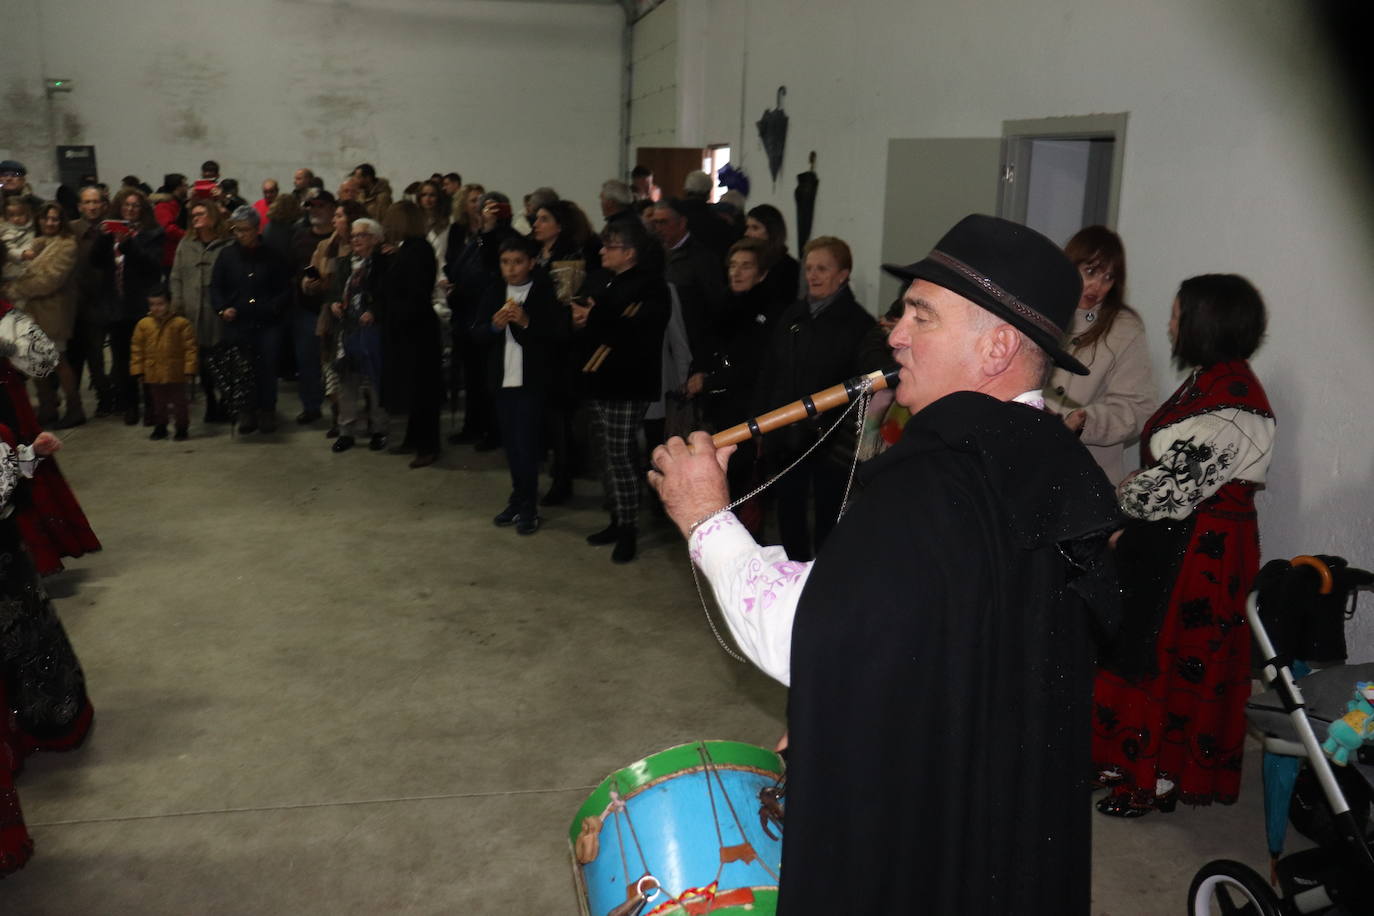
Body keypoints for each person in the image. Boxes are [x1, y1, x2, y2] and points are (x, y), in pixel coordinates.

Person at [648, 214, 1122, 915]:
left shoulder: (937, 480)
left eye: (920, 316)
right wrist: (846, 713)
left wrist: (705, 518)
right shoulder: (1051, 464)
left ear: (996, 346)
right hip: (1003, 828)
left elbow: (804, 637)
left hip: (925, 842)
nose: (894, 333)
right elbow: (951, 643)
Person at [1092, 274, 1274, 817]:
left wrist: (1108, 507)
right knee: (1134, 648)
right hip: (1173, 538)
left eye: (1177, 314)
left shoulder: (1238, 400)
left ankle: (1157, 781)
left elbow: (1174, 485)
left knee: (1171, 660)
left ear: (1204, 323)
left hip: (1202, 552)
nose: (1170, 324)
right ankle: (1123, 760)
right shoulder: (1209, 381)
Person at [751, 235, 883, 561]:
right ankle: (795, 574)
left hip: (832, 438)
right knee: (789, 512)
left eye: (823, 268)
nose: (813, 275)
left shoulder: (859, 324)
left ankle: (823, 582)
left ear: (843, 275)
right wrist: (762, 422)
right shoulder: (792, 316)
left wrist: (830, 422)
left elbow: (862, 383)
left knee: (829, 515)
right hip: (786, 432)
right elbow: (770, 370)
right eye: (809, 268)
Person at [0, 423, 93, 877]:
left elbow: (8, 480)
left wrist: (30, 455)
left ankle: (39, 723)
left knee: (29, 644)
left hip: (8, 565)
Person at [571, 219, 670, 563]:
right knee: (604, 454)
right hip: (598, 378)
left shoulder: (651, 287)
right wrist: (584, 317)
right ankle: (616, 517)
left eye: (608, 246)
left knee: (622, 456)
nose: (601, 251)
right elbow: (600, 317)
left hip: (628, 382)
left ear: (628, 253)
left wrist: (595, 318)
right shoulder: (604, 279)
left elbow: (635, 332)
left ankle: (628, 526)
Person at [1044, 226, 1157, 485]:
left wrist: (1084, 423)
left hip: (1087, 477)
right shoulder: (1042, 309)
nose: (1098, 286)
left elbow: (1139, 409)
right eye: (1091, 271)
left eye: (1109, 277)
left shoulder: (1124, 329)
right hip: (1029, 469)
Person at [480, 237, 565, 533]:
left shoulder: (543, 292)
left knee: (527, 445)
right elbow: (476, 332)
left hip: (531, 382)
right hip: (503, 381)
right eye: (505, 262)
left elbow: (554, 336)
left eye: (517, 262)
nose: (511, 269)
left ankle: (529, 505)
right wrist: (494, 326)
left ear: (531, 263)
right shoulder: (494, 290)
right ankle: (517, 499)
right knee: (512, 446)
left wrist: (526, 322)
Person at [209, 206, 291, 434]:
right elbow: (216, 287)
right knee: (241, 369)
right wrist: (222, 308)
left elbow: (285, 288)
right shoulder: (226, 255)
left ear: (257, 229)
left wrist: (273, 307)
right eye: (236, 230)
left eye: (245, 230)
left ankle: (267, 411)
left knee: (267, 367)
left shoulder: (273, 256)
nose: (240, 234)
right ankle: (245, 412)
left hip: (267, 323)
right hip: (238, 322)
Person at [91, 187, 165, 425]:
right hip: (116, 307)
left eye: (135, 206)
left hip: (141, 305)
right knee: (122, 361)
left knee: (148, 359)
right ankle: (130, 405)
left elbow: (153, 267)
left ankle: (153, 406)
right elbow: (95, 262)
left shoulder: (153, 233)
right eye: (126, 206)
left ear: (142, 210)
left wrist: (130, 244)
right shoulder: (109, 234)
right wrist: (104, 236)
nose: (131, 210)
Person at [377, 200, 441, 465]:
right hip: (412, 327)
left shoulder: (418, 251)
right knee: (416, 391)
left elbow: (413, 292)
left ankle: (428, 446)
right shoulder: (410, 249)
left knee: (423, 390)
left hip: (416, 330)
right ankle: (415, 439)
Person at [9, 202, 83, 426]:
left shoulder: (67, 244)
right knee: (34, 362)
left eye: (55, 219)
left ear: (62, 222)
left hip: (53, 312)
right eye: (46, 218)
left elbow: (49, 280)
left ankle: (74, 408)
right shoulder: (38, 243)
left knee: (59, 361)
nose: (50, 223)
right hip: (31, 313)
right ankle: (48, 407)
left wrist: (12, 290)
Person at [169, 198, 234, 423]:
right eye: (193, 215)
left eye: (201, 214)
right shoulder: (185, 244)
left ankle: (227, 400)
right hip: (191, 311)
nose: (196, 218)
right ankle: (210, 401)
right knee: (201, 362)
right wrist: (176, 304)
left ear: (213, 217)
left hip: (217, 313)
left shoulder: (226, 244)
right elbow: (176, 275)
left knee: (222, 360)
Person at [330, 217, 389, 452]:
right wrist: (334, 302)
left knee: (375, 383)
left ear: (374, 239)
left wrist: (374, 311)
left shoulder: (383, 264)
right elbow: (334, 291)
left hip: (372, 333)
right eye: (353, 236)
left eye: (361, 235)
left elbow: (388, 295)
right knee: (347, 382)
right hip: (348, 331)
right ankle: (346, 431)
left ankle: (379, 430)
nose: (356, 240)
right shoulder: (344, 263)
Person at [67, 186, 113, 417]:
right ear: (80, 206)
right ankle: (73, 407)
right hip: (73, 304)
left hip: (102, 303)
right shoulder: (70, 230)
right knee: (72, 359)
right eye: (88, 202)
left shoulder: (113, 229)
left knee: (97, 358)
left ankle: (105, 401)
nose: (92, 206)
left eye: (96, 202)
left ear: (103, 205)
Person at [129, 287, 198, 440]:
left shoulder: (181, 324)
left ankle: (181, 427)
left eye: (160, 304)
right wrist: (138, 370)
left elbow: (190, 348)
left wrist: (189, 369)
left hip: (176, 372)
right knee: (158, 403)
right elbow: (137, 349)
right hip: (153, 372)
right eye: (152, 305)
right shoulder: (143, 324)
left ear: (169, 304)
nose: (156, 308)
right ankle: (160, 426)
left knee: (180, 403)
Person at [744, 203, 801, 306]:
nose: (747, 233)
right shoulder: (744, 260)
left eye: (755, 228)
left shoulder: (788, 266)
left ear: (772, 231)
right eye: (747, 227)